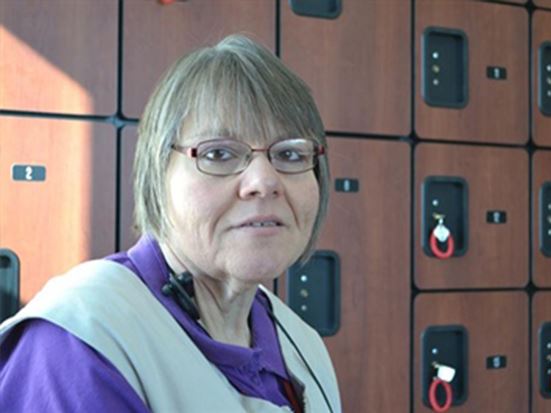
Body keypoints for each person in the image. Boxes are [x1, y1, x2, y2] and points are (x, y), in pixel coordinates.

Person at [0, 34, 342, 412]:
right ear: (157, 174)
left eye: (290, 153)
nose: (263, 181)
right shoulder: (80, 343)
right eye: (218, 153)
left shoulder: (302, 343)